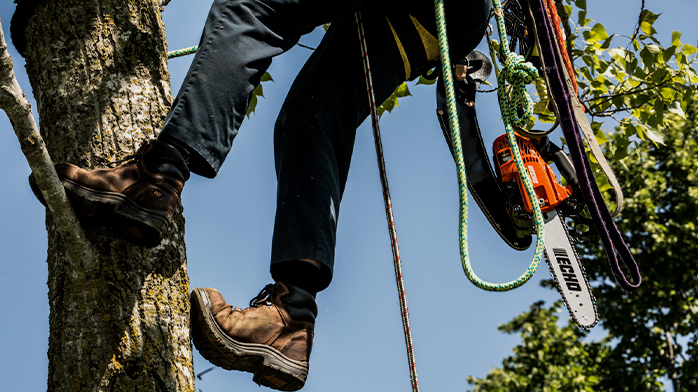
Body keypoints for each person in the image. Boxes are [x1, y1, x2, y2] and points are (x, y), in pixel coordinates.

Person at [37, 0, 491, 390]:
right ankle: (290, 317)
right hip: (452, 15)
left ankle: (157, 177)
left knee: (251, 7)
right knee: (315, 111)